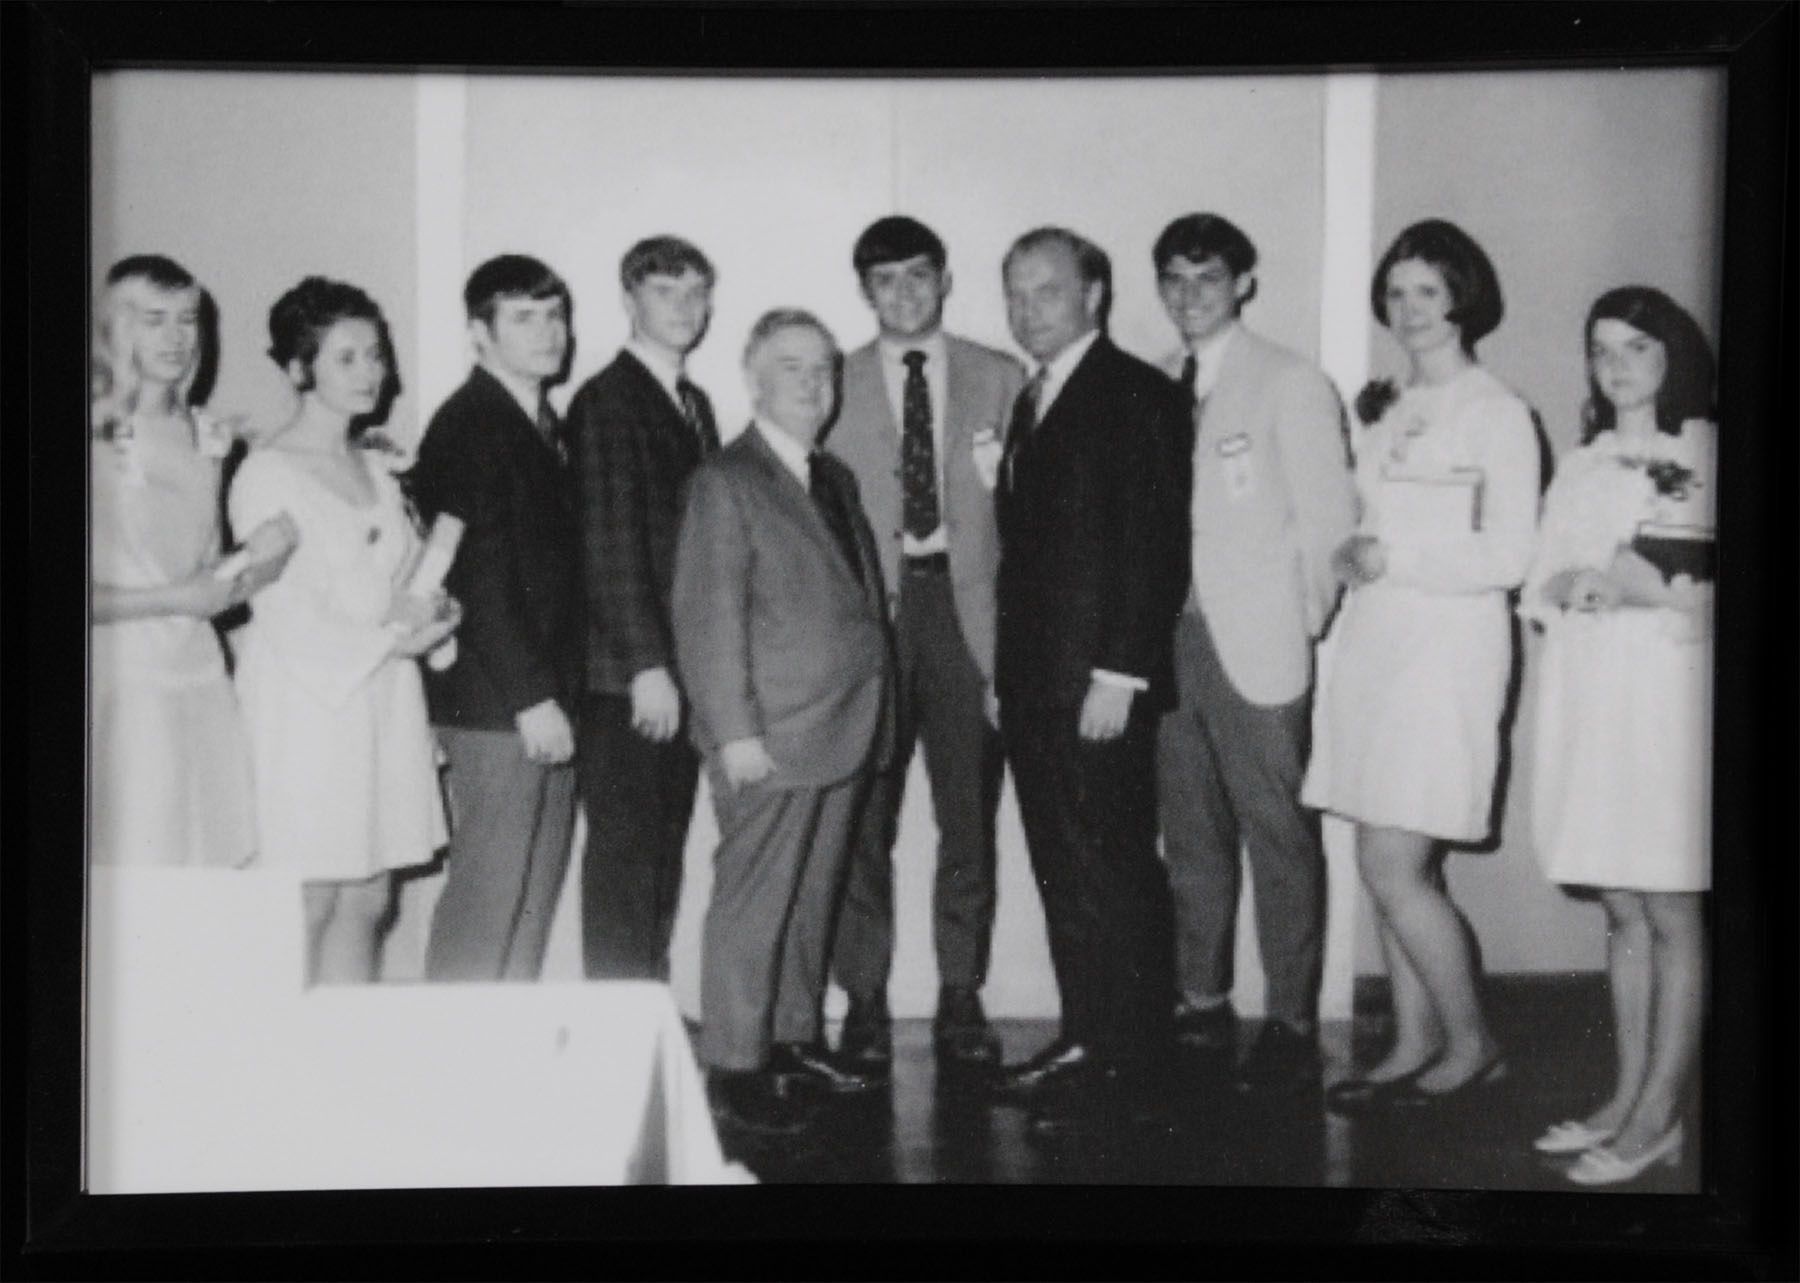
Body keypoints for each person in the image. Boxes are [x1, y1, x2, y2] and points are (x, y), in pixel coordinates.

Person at [1304, 219, 1540, 1110]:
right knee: (1385, 863)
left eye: (1428, 292)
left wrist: (1394, 560)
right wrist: (1356, 553)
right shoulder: (1393, 408)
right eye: (1397, 293)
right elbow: (1377, 525)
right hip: (1376, 648)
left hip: (1446, 657)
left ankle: (1473, 1041)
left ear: (1463, 298)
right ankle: (1413, 1040)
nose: (1410, 311)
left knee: (1395, 864)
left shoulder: (1497, 413)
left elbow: (1508, 556)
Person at [989, 227, 1192, 1136]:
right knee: (1064, 868)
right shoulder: (1034, 397)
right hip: (1037, 686)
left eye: (1048, 291)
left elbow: (1154, 545)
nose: (1030, 310)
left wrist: (1121, 671)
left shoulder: (1136, 392)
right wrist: (1007, 676)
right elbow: (1026, 558)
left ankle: (1131, 1060)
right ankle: (1086, 1036)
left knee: (1112, 870)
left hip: (1100, 686)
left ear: (1096, 295)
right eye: (1016, 294)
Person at [672, 309, 893, 1135]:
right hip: (770, 734)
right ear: (754, 378)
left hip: (844, 723)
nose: (811, 383)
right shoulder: (725, 480)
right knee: (755, 902)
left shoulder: (831, 476)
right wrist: (734, 734)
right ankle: (734, 1063)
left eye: (824, 368)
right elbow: (708, 617)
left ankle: (792, 1038)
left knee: (812, 897)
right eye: (792, 367)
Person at [1149, 214, 1357, 1092]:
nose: (1190, 296)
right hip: (1170, 642)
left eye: (1207, 277)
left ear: (1243, 281)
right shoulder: (1153, 384)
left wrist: (1296, 627)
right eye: (1175, 279)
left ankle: (1292, 1018)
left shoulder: (1291, 380)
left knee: (1278, 836)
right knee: (1190, 836)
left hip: (1258, 646)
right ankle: (1201, 998)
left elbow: (1329, 523)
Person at [1521, 286, 1715, 1185]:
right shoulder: (1585, 459)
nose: (1618, 365)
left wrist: (1629, 586)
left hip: (1669, 698)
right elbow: (1537, 579)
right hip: (1592, 695)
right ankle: (1626, 1090)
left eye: (1637, 346)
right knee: (1623, 907)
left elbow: (1706, 590)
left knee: (1672, 905)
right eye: (1602, 349)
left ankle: (1660, 1112)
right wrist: (1569, 585)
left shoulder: (1704, 447)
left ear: (1673, 354)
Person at [823, 216, 1025, 1073]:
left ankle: (959, 993)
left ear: (944, 279)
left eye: (917, 275)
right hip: (873, 614)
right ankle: (863, 996)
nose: (903, 292)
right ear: (864, 290)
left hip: (965, 612)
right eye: (884, 279)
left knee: (967, 814)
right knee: (863, 813)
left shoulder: (1002, 377)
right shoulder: (830, 381)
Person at [230, 276, 461, 985]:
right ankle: (278, 1069)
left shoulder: (377, 467)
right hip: (307, 704)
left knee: (368, 892)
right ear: (301, 369)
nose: (370, 372)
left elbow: (392, 579)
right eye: (347, 357)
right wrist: (395, 639)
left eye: (376, 355)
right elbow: (289, 611)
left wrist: (432, 606)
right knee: (308, 893)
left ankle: (342, 1063)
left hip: (383, 699)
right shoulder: (267, 473)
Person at [409, 255, 582, 982]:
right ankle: (447, 1076)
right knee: (491, 898)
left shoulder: (536, 419)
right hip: (498, 704)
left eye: (554, 314)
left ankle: (501, 1068)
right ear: (479, 332)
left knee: (530, 898)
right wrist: (530, 697)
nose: (547, 332)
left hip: (537, 695)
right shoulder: (471, 424)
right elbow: (477, 572)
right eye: (523, 317)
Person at [90, 255, 292, 869]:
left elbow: (202, 575)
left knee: (211, 862)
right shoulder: (93, 431)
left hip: (202, 674)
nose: (176, 338)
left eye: (187, 320)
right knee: (141, 864)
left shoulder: (206, 435)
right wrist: (175, 600)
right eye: (154, 320)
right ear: (116, 328)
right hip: (128, 680)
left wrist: (258, 562)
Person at [565, 236, 720, 981]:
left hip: (676, 669)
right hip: (629, 678)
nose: (685, 309)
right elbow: (608, 543)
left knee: (661, 850)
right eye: (666, 293)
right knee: (627, 859)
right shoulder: (606, 399)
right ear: (629, 301)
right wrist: (646, 667)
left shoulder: (693, 400)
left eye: (696, 293)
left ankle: (646, 1006)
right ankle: (617, 1026)